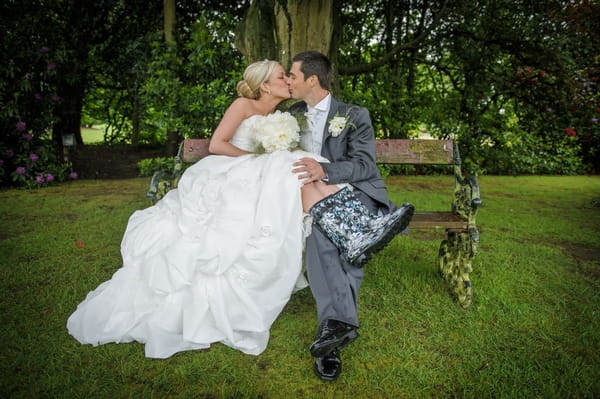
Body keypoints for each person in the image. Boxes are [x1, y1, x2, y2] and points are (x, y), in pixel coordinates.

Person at [67, 60, 326, 358]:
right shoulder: (243, 104)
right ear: (265, 85)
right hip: (226, 171)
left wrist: (269, 159)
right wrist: (255, 160)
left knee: (284, 178)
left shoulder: (281, 115)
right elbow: (217, 144)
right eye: (283, 76)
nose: (288, 81)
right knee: (240, 209)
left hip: (254, 174)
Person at [287, 50, 414, 381]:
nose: (288, 80)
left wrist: (323, 170)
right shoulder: (291, 115)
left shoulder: (354, 115)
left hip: (355, 191)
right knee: (327, 234)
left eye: (293, 75)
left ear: (312, 80)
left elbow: (364, 165)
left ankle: (331, 334)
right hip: (311, 198)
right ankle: (335, 334)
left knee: (325, 234)